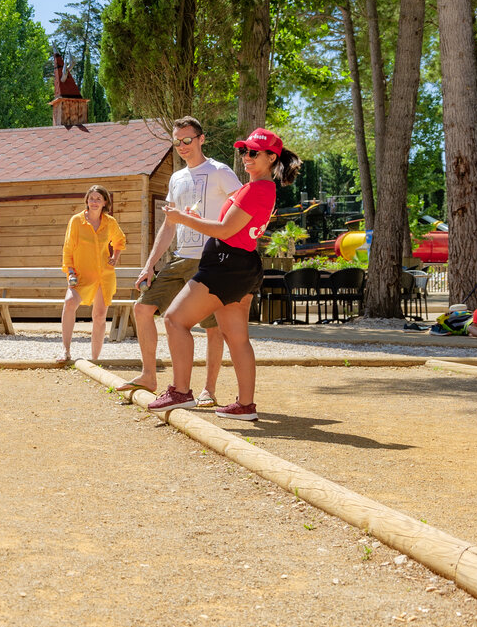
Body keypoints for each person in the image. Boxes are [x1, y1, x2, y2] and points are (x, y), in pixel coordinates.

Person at [147, 128, 301, 422]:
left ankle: (180, 391)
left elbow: (225, 231)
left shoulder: (257, 189)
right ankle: (245, 405)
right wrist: (194, 219)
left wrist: (181, 219)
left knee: (175, 320)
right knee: (236, 337)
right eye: (244, 151)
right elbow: (232, 229)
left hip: (225, 264)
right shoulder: (262, 188)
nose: (246, 157)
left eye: (254, 153)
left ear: (272, 158)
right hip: (242, 264)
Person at [120, 117, 239, 405]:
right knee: (142, 309)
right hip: (180, 257)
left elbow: (241, 214)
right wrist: (149, 265)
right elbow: (169, 225)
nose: (182, 146)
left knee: (213, 327)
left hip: (211, 260)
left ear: (201, 139)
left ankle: (208, 390)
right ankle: (149, 375)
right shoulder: (176, 178)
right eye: (177, 142)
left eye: (187, 140)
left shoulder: (221, 172)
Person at [59, 186, 126, 362]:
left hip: (104, 275)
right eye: (91, 198)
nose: (94, 202)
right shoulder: (76, 221)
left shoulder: (110, 222)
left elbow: (120, 240)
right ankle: (65, 351)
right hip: (81, 274)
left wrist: (115, 256)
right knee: (69, 302)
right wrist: (70, 271)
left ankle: (95, 359)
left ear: (105, 202)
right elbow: (68, 248)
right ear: (87, 201)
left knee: (99, 315)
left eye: (98, 199)